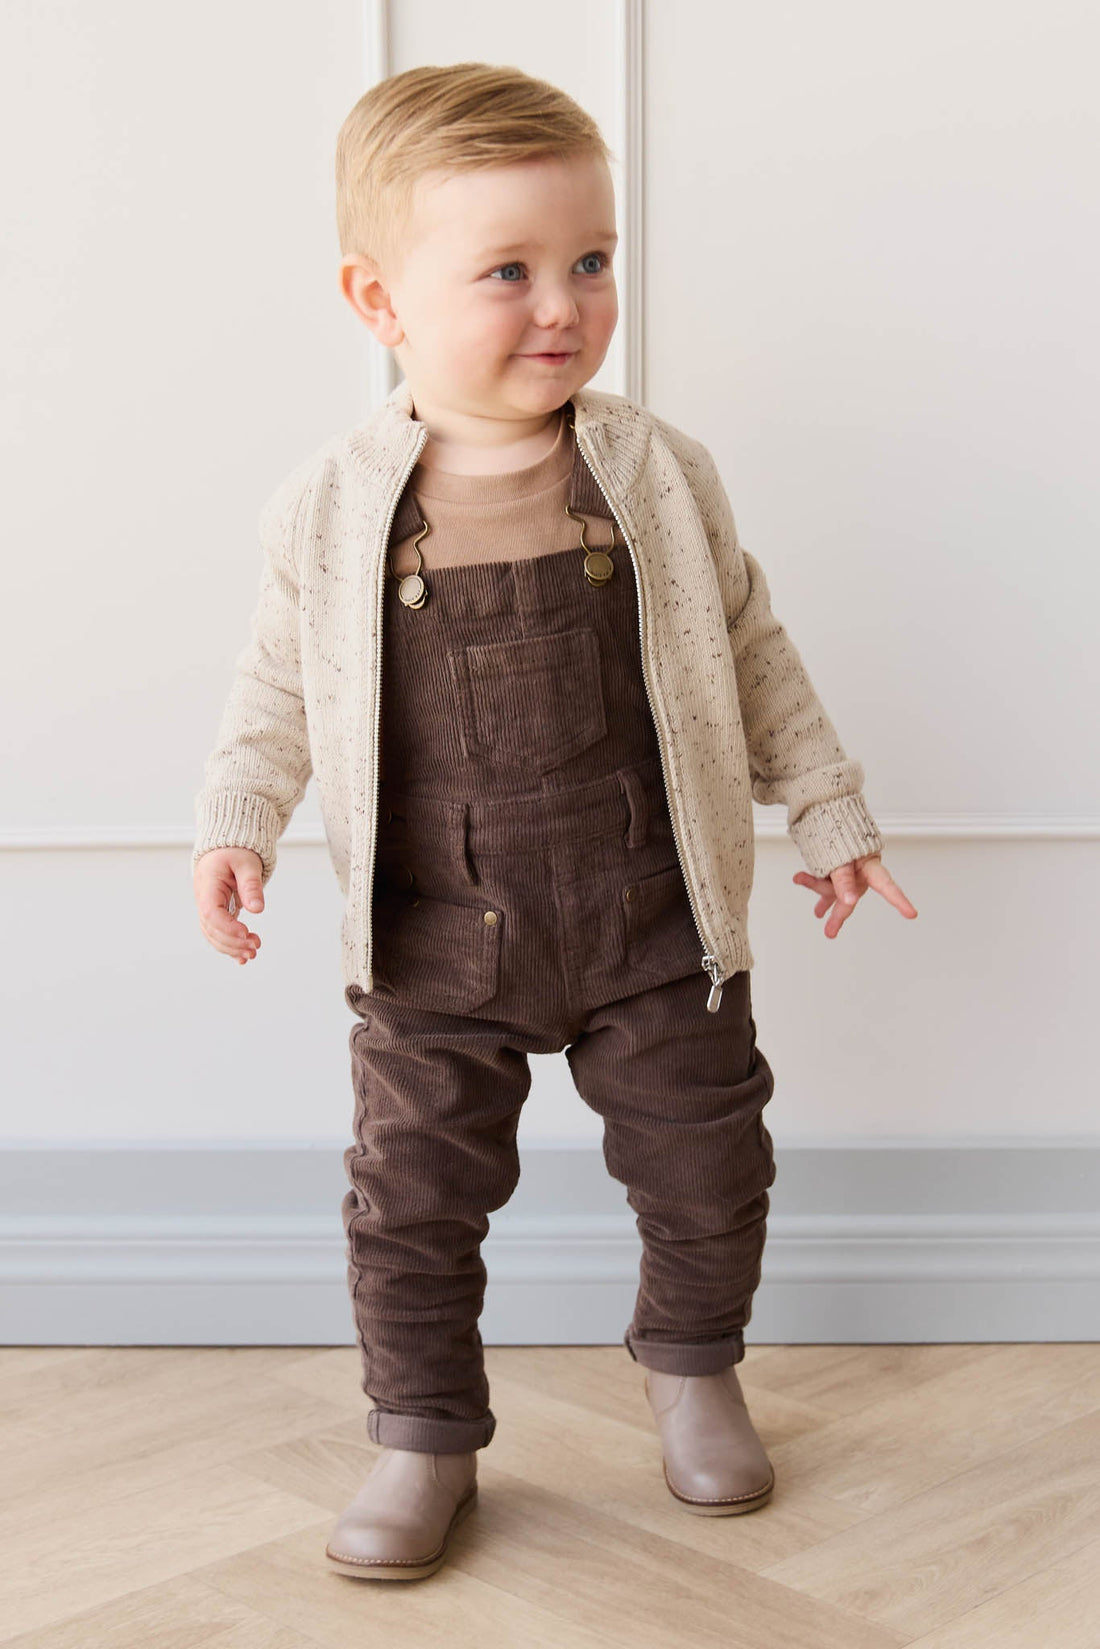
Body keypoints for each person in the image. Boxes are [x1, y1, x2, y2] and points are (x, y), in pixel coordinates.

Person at [191, 61, 918, 1582]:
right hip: (432, 933)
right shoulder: (331, 508)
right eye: (508, 271)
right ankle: (423, 1433)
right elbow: (278, 684)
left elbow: (748, 646)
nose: (563, 305)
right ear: (377, 299)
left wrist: (827, 803)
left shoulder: (653, 473)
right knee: (410, 1200)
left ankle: (694, 1365)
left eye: (590, 260)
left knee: (710, 1163)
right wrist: (238, 820)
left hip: (651, 911)